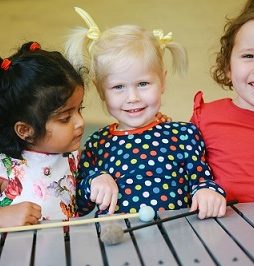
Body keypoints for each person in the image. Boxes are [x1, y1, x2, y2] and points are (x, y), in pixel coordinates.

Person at [65, 7, 226, 219]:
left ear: (163, 81)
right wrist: (94, 181)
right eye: (118, 87)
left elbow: (201, 180)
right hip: (119, 240)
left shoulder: (184, 135)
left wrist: (208, 192)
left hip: (177, 235)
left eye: (142, 83)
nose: (132, 97)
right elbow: (80, 206)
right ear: (101, 90)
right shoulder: (97, 143)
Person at [0, 41, 85, 228]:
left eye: (80, 109)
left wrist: (99, 180)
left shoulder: (74, 157)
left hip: (68, 252)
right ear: (26, 131)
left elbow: (86, 201)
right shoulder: (3, 166)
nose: (80, 122)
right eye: (65, 118)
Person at [191, 0, 254, 203]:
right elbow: (184, 174)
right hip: (220, 229)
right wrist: (199, 191)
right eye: (249, 55)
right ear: (227, 67)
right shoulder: (205, 118)